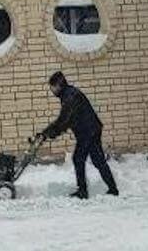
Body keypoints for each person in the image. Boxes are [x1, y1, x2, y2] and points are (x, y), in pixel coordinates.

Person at [42, 71, 118, 199]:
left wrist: (49, 133)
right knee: (98, 160)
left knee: (78, 158)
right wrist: (49, 132)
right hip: (91, 129)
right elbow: (66, 120)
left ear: (59, 85)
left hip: (88, 131)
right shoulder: (68, 94)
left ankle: (83, 191)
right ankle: (112, 189)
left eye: (52, 87)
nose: (52, 90)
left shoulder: (70, 97)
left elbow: (64, 120)